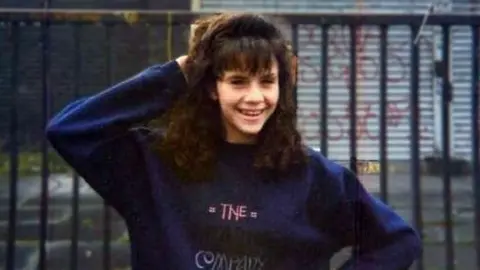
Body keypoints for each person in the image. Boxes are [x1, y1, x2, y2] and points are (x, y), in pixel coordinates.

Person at [46, 12, 422, 270]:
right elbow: (70, 130)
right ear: (212, 87)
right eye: (238, 82)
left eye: (267, 81)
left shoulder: (312, 175)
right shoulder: (154, 164)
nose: (255, 98)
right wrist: (177, 74)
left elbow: (397, 241)